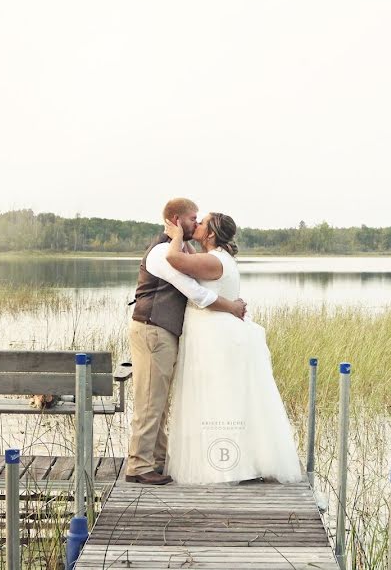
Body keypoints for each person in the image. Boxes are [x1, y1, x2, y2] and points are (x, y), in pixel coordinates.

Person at [162, 212, 302, 484]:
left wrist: (176, 237)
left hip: (214, 335)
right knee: (220, 396)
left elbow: (173, 259)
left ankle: (226, 466)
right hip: (213, 330)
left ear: (212, 233)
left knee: (216, 397)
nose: (198, 224)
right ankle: (233, 460)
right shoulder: (219, 258)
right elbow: (190, 260)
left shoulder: (214, 261)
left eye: (202, 223)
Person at [127, 198, 247, 486]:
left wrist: (184, 242)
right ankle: (138, 466)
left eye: (198, 220)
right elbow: (194, 292)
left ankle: (155, 460)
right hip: (152, 329)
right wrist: (231, 306)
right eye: (192, 218)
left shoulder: (178, 249)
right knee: (150, 400)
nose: (196, 222)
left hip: (161, 331)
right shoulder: (160, 253)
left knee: (158, 400)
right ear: (176, 219)